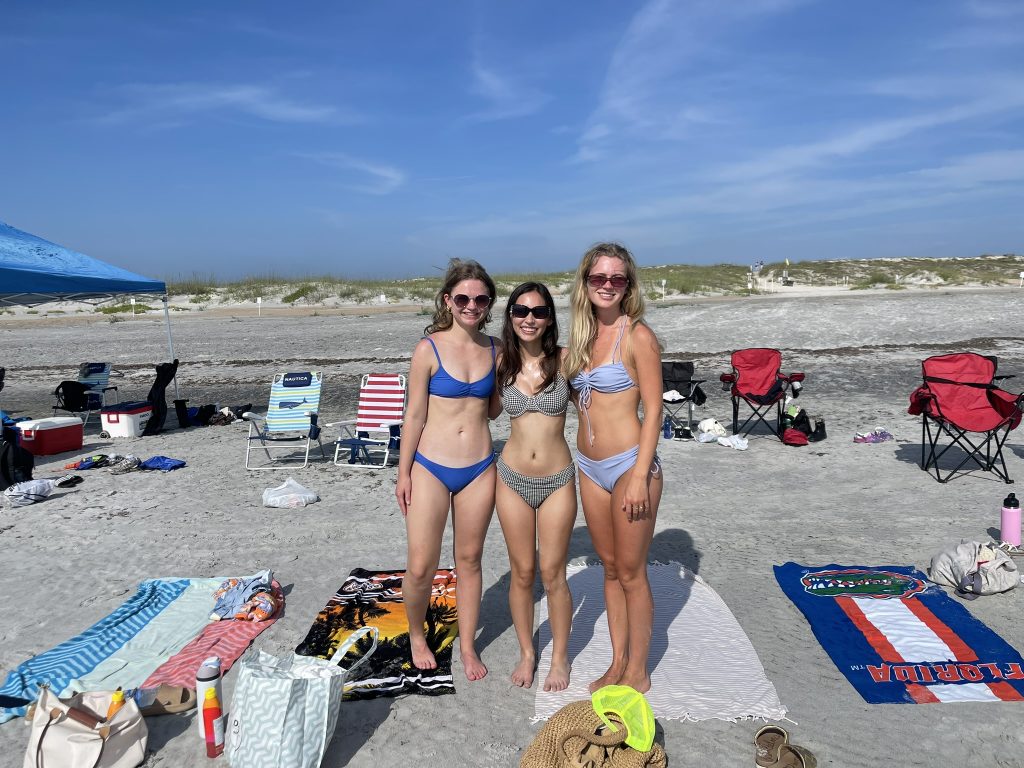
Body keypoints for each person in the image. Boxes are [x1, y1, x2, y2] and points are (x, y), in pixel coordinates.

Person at [565, 242, 664, 693]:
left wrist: (641, 474)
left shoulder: (637, 335)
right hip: (588, 466)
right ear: (585, 282)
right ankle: (617, 660)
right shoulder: (579, 340)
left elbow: (654, 409)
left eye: (617, 279)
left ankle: (637, 670)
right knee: (608, 568)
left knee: (631, 571)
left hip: (629, 466)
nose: (607, 285)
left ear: (629, 286)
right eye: (599, 278)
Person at [396, 258, 500, 682]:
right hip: (431, 467)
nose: (471, 305)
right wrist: (403, 473)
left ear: (489, 302)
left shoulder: (497, 348)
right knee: (422, 565)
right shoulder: (428, 349)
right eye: (463, 298)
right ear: (448, 301)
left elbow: (494, 409)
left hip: (479, 466)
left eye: (480, 298)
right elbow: (413, 416)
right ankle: (417, 636)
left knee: (470, 559)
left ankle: (469, 645)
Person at [494, 282, 577, 691]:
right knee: (522, 572)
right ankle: (528, 652)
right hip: (510, 479)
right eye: (521, 310)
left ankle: (559, 657)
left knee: (553, 573)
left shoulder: (565, 362)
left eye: (539, 311)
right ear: (510, 316)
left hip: (558, 480)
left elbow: (598, 411)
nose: (529, 318)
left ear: (549, 318)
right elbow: (476, 412)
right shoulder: (501, 364)